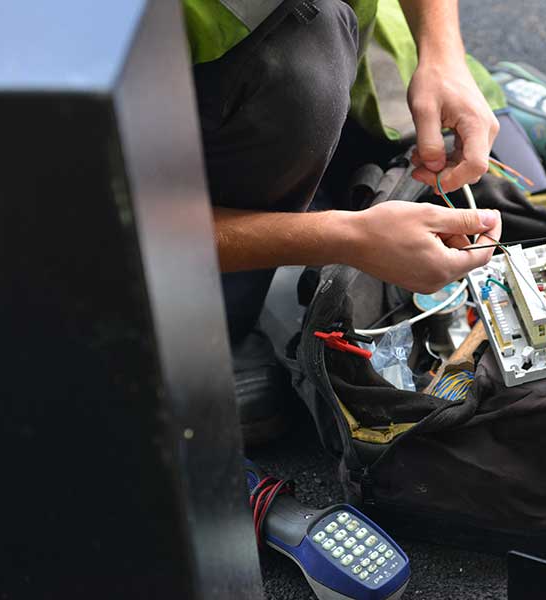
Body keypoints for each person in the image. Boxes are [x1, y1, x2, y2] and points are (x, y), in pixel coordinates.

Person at [183, 0, 503, 440]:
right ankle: (212, 325)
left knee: (504, 160)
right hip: (122, 176)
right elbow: (90, 230)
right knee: (306, 65)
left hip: (342, 55)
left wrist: (442, 55)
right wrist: (344, 238)